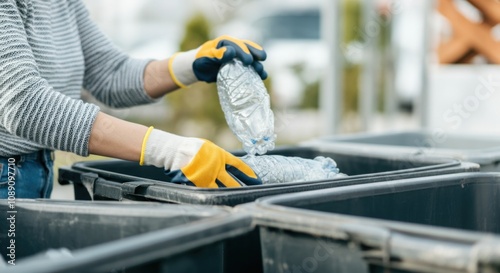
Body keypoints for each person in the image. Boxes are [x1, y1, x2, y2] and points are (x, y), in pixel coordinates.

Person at [0, 0, 268, 199]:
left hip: (34, 168)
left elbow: (109, 74)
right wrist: (170, 150)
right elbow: (23, 104)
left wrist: (191, 63)